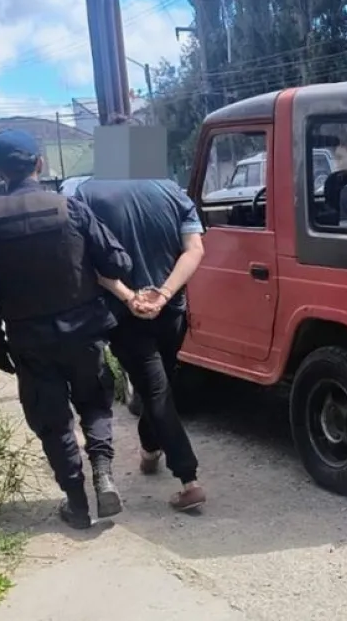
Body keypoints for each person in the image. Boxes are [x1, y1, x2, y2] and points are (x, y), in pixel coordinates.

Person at [0, 131, 134, 530]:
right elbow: (117, 263)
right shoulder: (69, 207)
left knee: (52, 420)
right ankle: (103, 473)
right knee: (94, 404)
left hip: (30, 341)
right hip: (85, 332)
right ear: (39, 164)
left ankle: (77, 503)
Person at [74, 177, 207, 512]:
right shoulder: (172, 191)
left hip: (125, 314)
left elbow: (88, 260)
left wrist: (129, 297)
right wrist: (163, 295)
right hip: (171, 311)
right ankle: (150, 448)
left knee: (155, 389)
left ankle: (189, 480)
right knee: (157, 385)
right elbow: (194, 249)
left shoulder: (88, 193)